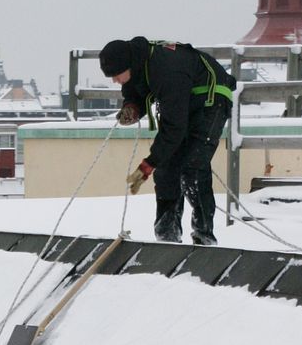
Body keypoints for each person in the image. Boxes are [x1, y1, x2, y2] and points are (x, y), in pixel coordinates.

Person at [99, 37, 236, 246]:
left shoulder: (167, 71)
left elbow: (174, 129)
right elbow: (134, 92)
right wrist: (132, 107)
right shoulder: (138, 66)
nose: (114, 81)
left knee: (193, 166)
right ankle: (167, 236)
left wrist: (149, 163)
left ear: (128, 65)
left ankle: (204, 235)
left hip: (212, 97)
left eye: (116, 75)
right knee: (166, 170)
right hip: (185, 99)